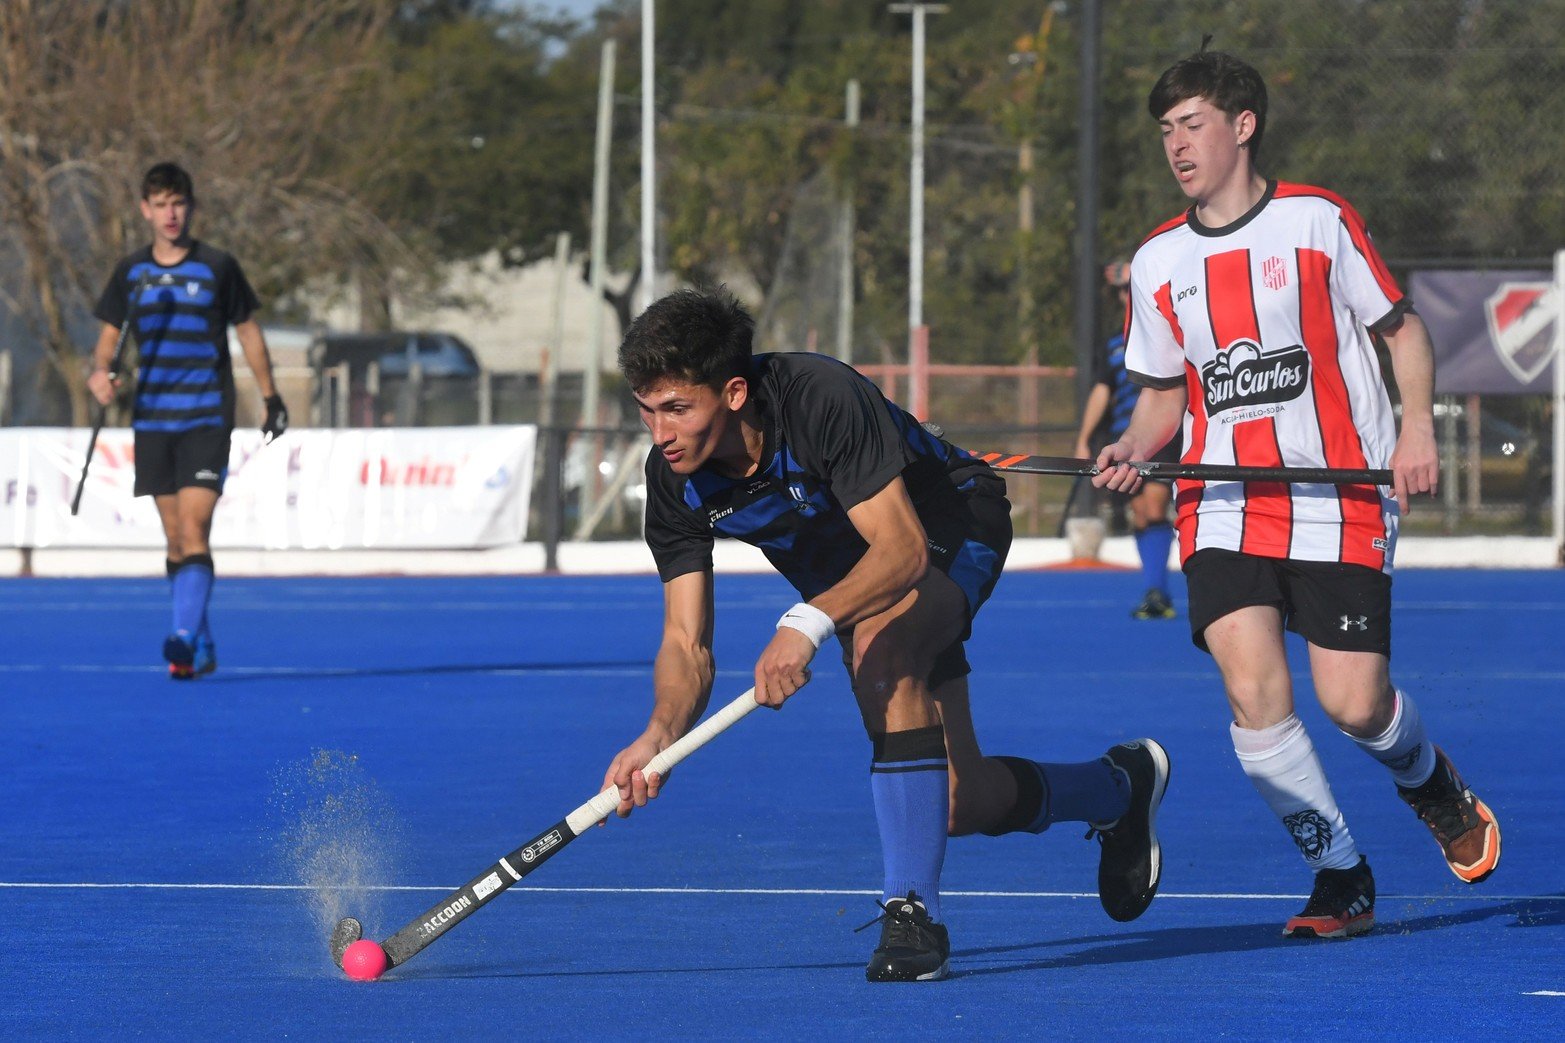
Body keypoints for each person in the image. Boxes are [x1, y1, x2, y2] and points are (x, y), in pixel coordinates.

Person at [605, 287, 1170, 982]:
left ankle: (913, 913)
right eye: (646, 409)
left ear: (731, 392)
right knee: (961, 803)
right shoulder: (674, 481)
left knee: (880, 649)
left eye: (675, 409)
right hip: (856, 587)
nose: (658, 432)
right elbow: (685, 642)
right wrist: (658, 734)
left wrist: (808, 621)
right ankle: (1117, 789)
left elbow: (900, 549)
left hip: (950, 525)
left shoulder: (817, 398)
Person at [1091, 49, 1499, 939]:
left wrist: (1417, 427)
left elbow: (1403, 329)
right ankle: (1338, 872)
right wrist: (1129, 445)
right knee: (1252, 692)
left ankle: (1428, 780)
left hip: (1339, 497)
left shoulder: (1316, 222)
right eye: (1164, 129)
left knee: (1355, 705)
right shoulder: (1157, 260)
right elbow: (1163, 394)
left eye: (1190, 123)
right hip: (1222, 503)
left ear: (1241, 126)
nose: (1175, 144)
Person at [87, 161, 287, 680]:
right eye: (160, 204)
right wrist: (101, 376)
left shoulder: (218, 266)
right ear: (145, 210)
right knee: (175, 539)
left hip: (205, 417)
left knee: (196, 527)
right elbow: (108, 344)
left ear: (191, 207)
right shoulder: (132, 273)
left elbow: (248, 332)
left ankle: (179, 636)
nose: (170, 214)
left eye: (179, 203)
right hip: (153, 420)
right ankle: (199, 639)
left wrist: (271, 396)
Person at [1073, 259, 1179, 619]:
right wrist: (1084, 438)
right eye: (1121, 289)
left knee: (1153, 506)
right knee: (1139, 514)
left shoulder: (1168, 330)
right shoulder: (1115, 342)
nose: (1125, 294)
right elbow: (1102, 391)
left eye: (1130, 286)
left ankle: (1158, 591)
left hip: (1164, 431)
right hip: (1127, 436)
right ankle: (1153, 589)